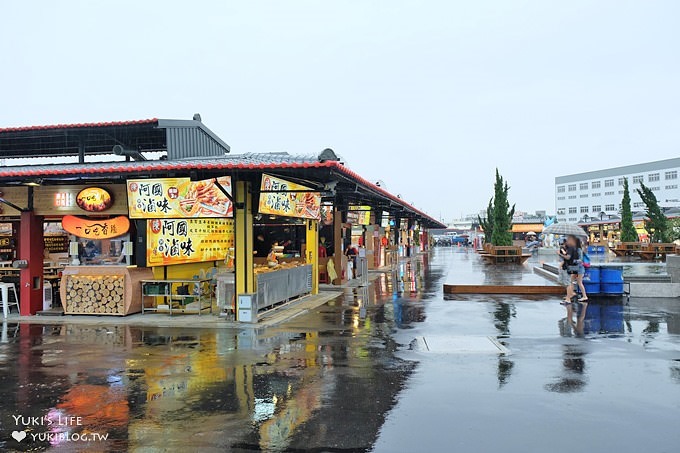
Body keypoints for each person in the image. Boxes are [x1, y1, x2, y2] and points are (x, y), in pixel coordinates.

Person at [559, 235, 588, 304]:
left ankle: (584, 296)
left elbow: (580, 260)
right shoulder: (577, 249)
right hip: (578, 268)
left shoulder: (578, 249)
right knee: (572, 281)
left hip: (579, 268)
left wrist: (573, 261)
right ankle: (570, 294)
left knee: (578, 282)